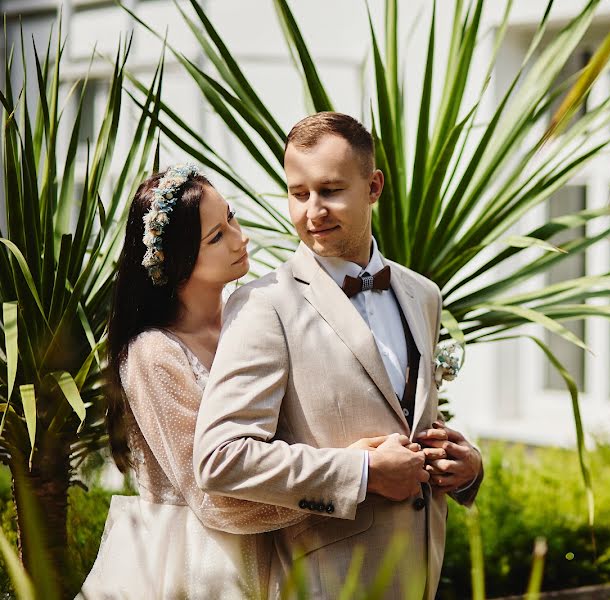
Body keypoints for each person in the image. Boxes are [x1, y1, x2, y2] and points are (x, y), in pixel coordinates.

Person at [193, 112, 484, 599]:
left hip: (421, 575)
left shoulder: (423, 294)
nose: (313, 212)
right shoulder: (266, 305)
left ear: (373, 187)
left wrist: (466, 466)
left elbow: (409, 419)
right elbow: (221, 458)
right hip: (327, 582)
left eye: (330, 191)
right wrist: (364, 474)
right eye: (298, 193)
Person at [81, 166, 313, 599]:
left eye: (232, 217)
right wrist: (336, 487)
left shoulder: (253, 321)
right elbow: (211, 497)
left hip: (276, 545)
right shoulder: (154, 353)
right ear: (174, 260)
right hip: (188, 561)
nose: (240, 237)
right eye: (216, 237)